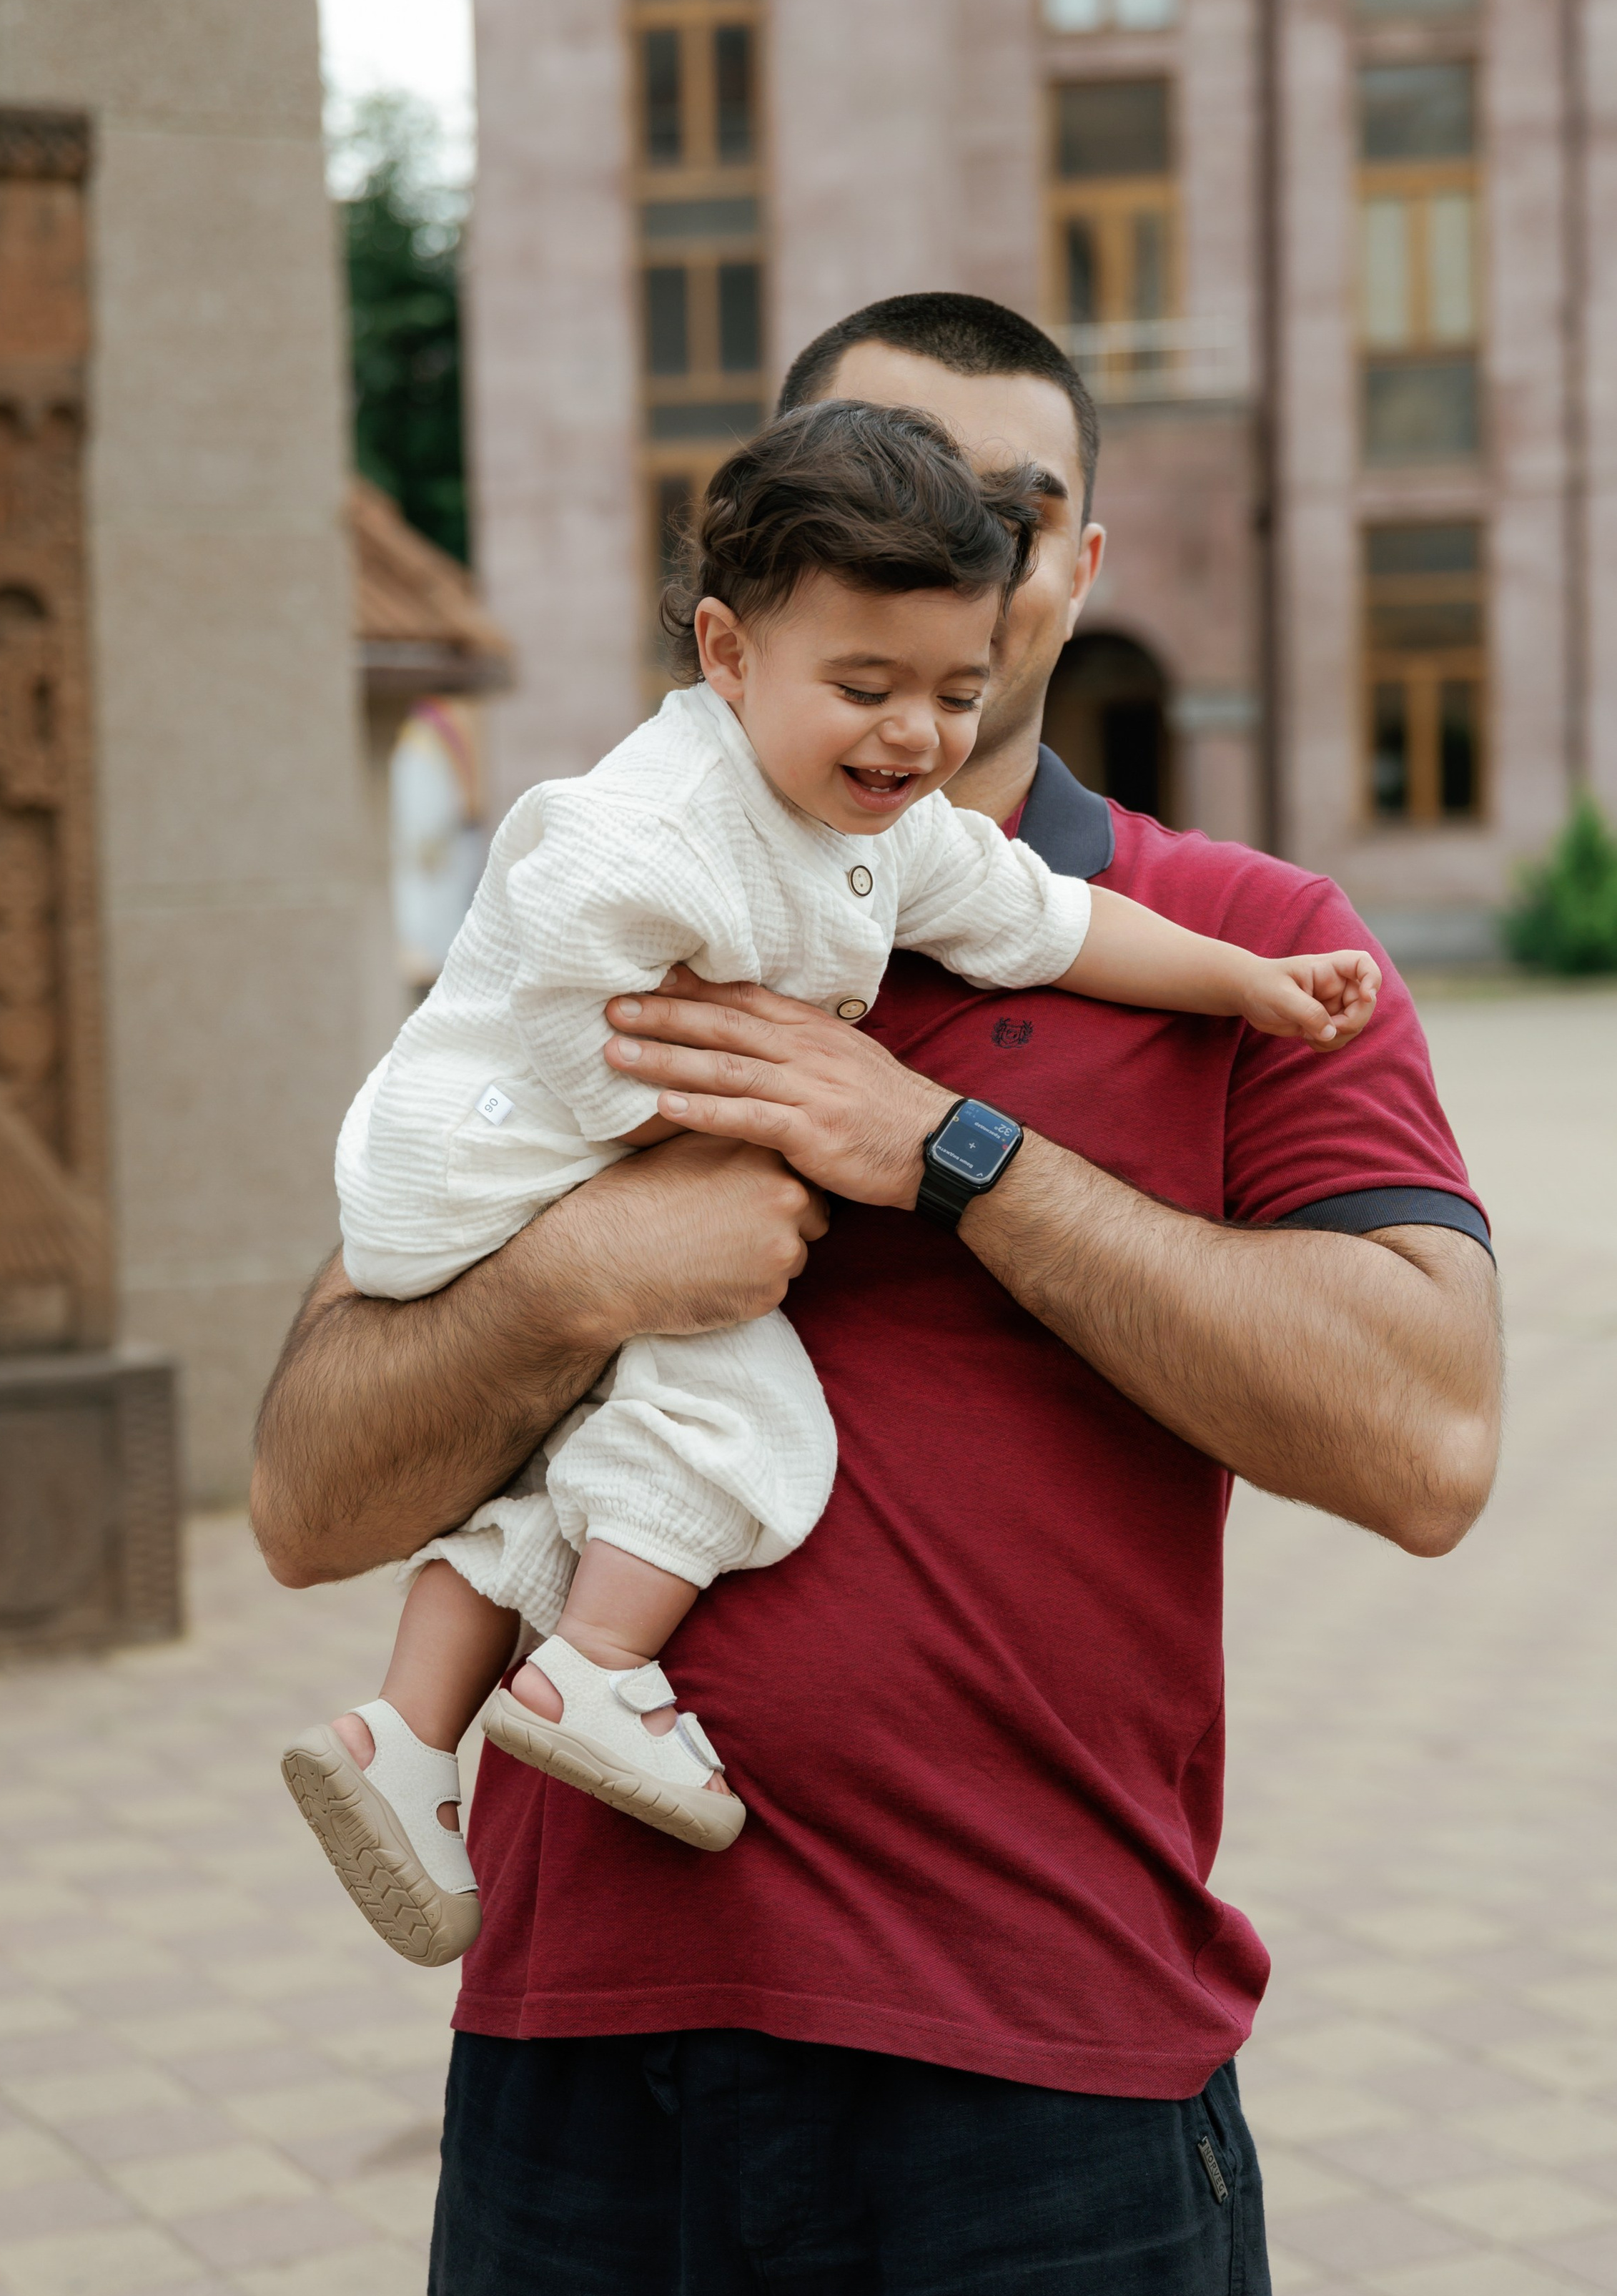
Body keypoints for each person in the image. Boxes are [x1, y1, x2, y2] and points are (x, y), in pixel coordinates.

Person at [252, 295, 1500, 2296]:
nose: (939, 537)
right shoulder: (634, 899)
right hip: (573, 2075)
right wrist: (579, 1273)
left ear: (1066, 571)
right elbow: (305, 1493)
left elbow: (1426, 1437)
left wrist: (956, 1156)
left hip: (1036, 2081)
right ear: (749, 597)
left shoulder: (1243, 938)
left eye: (1002, 511)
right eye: (878, 480)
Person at [283, 402, 1380, 1969]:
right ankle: (593, 1666)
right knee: (737, 1420)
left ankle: (404, 1733)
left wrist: (1244, 983)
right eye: (862, 688)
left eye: (953, 691)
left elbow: (1045, 916)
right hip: (494, 1164)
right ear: (725, 656)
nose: (912, 736)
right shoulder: (643, 833)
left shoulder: (866, 821)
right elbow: (577, 1025)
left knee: (546, 1469)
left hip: (533, 1170)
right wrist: (749, 1145)